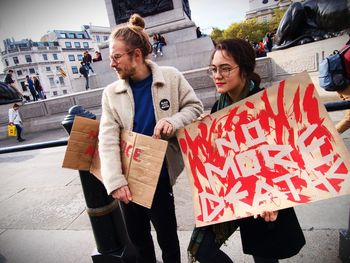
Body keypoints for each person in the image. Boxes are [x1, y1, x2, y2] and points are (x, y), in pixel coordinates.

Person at [187, 38, 305, 263]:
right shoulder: (217, 108)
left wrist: (275, 198)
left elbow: (285, 157)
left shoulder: (265, 105)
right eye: (213, 69)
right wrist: (207, 136)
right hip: (231, 192)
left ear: (245, 69)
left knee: (264, 256)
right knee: (201, 249)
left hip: (264, 195)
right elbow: (218, 159)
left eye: (225, 68)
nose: (217, 76)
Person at [98, 13, 203, 263]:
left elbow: (195, 107)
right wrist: (115, 182)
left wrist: (173, 120)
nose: (112, 63)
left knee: (168, 239)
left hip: (160, 175)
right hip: (128, 180)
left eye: (116, 56)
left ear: (136, 55)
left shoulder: (170, 77)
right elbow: (107, 139)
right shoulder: (111, 93)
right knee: (139, 241)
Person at [335, 37, 350, 133]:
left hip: (340, 86)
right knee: (349, 119)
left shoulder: (345, 48)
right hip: (347, 87)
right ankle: (327, 138)